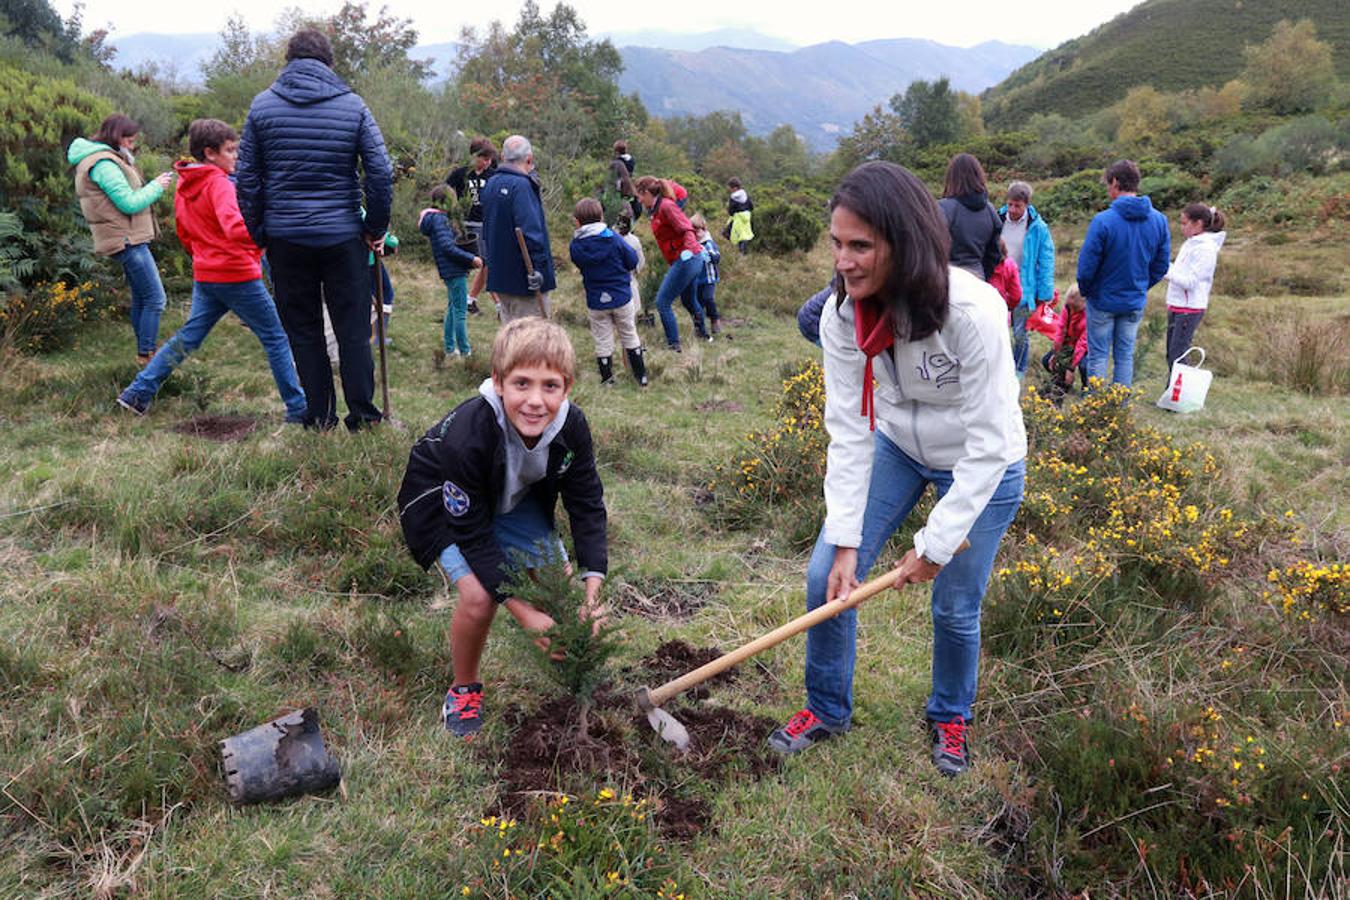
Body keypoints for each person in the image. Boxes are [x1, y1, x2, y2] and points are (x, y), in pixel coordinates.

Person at [766, 161, 1026, 778]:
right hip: (898, 449)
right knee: (826, 574)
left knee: (955, 603)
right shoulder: (839, 315)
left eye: (861, 246)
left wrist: (935, 544)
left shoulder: (972, 311)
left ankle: (950, 715)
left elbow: (990, 442)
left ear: (903, 244)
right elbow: (850, 430)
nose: (844, 261)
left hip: (981, 464)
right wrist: (848, 539)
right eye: (836, 243)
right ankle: (826, 708)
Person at [397, 318, 608, 739]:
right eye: (521, 383)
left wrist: (593, 593)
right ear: (498, 382)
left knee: (558, 590)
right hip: (443, 503)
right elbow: (473, 534)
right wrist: (525, 614)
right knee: (478, 598)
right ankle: (464, 689)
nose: (535, 400)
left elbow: (586, 504)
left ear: (567, 388)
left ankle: (575, 690)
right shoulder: (468, 434)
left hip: (514, 496)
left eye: (550, 386)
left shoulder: (572, 426)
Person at [236, 28, 393, 431]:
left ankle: (319, 420)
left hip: (286, 239)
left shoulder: (262, 107)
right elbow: (379, 171)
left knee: (304, 331)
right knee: (354, 331)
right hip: (343, 237)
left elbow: (247, 177)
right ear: (329, 62)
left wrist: (260, 234)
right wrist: (373, 227)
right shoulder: (353, 106)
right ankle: (364, 417)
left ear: (288, 59)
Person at [115, 119, 306, 422]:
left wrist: (204, 257)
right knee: (276, 337)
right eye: (230, 151)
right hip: (237, 274)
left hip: (207, 274)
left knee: (189, 337)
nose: (236, 157)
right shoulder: (218, 183)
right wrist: (264, 241)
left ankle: (137, 393)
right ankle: (299, 409)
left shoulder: (186, 182)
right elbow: (234, 226)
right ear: (210, 152)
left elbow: (184, 231)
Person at [68, 113, 174, 366]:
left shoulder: (108, 159)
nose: (132, 145)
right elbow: (128, 203)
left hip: (128, 237)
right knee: (156, 299)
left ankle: (144, 354)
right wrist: (157, 186)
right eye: (129, 140)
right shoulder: (103, 164)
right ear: (117, 138)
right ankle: (147, 356)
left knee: (142, 298)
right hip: (126, 240)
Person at [1075, 159, 1170, 388]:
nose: (1108, 190)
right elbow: (1161, 265)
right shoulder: (1159, 220)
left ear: (1116, 182)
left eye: (1108, 184)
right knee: (1124, 356)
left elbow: (1087, 267)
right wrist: (1139, 285)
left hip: (1102, 300)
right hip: (1133, 300)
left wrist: (1088, 291)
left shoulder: (1103, 221)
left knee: (1098, 356)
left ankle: (1095, 409)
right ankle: (1119, 411)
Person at [568, 198, 648, 387]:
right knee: (629, 333)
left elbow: (579, 263)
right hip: (621, 295)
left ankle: (607, 378)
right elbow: (631, 260)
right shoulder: (613, 238)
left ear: (578, 220)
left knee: (602, 338)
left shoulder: (576, 245)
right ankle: (641, 377)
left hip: (596, 298)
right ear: (601, 216)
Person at [481, 135, 556, 324]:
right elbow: (531, 233)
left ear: (502, 156)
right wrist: (538, 270)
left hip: (500, 278)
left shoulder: (491, 184)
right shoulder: (522, 186)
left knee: (511, 338)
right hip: (526, 282)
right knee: (533, 340)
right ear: (529, 159)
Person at [634, 176, 708, 351]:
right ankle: (703, 334)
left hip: (688, 259)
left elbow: (686, 228)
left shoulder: (666, 206)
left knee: (662, 302)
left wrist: (687, 254)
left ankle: (674, 345)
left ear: (646, 193)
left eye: (639, 196)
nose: (639, 200)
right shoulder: (656, 208)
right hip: (690, 258)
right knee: (689, 301)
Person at [1162, 203, 1226, 382]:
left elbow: (1190, 282)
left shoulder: (1206, 249)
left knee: (1178, 355)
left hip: (1189, 308)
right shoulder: (1190, 244)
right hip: (1177, 305)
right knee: (1172, 354)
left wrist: (1165, 270)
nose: (1181, 227)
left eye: (1184, 223)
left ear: (1198, 224)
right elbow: (1180, 272)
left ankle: (1179, 396)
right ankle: (1173, 395)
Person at [998, 181, 1056, 379]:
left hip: (1024, 288)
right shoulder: (997, 219)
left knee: (1020, 333)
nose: (1013, 210)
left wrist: (1045, 293)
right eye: (1010, 204)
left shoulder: (1038, 227)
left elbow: (1046, 259)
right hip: (999, 285)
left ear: (1026, 205)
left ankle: (1019, 369)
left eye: (1018, 206)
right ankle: (1000, 366)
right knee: (998, 330)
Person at [420, 185, 483, 360]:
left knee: (452, 307)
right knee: (460, 311)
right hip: (453, 269)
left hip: (449, 269)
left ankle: (449, 348)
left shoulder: (435, 218)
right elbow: (447, 247)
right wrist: (471, 259)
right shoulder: (440, 220)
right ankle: (465, 352)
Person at [446, 137, 498, 315]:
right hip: (463, 225)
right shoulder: (460, 174)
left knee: (486, 263)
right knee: (460, 264)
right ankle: (456, 302)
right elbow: (446, 191)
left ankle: (472, 300)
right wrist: (453, 211)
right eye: (484, 158)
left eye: (490, 159)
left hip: (484, 225)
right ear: (475, 156)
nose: (488, 162)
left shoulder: (494, 175)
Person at [937, 153, 1002, 281]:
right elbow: (995, 254)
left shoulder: (943, 208)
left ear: (952, 177)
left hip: (948, 279)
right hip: (977, 278)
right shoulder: (990, 210)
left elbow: (931, 248)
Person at [1040, 284, 1088, 405]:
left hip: (1085, 348)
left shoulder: (1090, 315)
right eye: (1069, 306)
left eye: (1075, 307)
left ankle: (1086, 391)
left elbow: (1083, 344)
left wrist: (1070, 368)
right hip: (1069, 344)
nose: (1071, 310)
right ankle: (1062, 385)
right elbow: (1060, 331)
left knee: (1084, 366)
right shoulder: (1067, 308)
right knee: (1047, 361)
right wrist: (1055, 354)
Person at [689, 213, 723, 335]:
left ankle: (715, 320)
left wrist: (708, 256)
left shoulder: (708, 243)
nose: (696, 234)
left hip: (709, 278)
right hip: (697, 279)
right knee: (697, 303)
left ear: (704, 229)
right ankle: (699, 328)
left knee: (708, 298)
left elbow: (717, 258)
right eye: (693, 231)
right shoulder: (691, 244)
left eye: (698, 230)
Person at [614, 211, 647, 321]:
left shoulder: (613, 238)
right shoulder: (633, 240)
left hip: (623, 275)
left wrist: (636, 269)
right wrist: (637, 269)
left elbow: (640, 260)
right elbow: (640, 260)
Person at [607, 140, 640, 220]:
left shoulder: (617, 162)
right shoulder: (632, 160)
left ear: (616, 151)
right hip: (631, 184)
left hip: (621, 187)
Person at [989, 239, 1022, 314]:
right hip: (1001, 313)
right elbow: (1016, 295)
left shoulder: (979, 265)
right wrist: (1005, 303)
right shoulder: (1010, 264)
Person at [726, 177, 755, 254]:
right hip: (746, 218)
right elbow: (751, 206)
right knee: (745, 236)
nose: (730, 190)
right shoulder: (746, 195)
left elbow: (730, 211)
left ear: (735, 188)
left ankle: (740, 255)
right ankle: (744, 254)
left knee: (732, 234)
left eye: (730, 188)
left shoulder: (733, 197)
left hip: (738, 219)